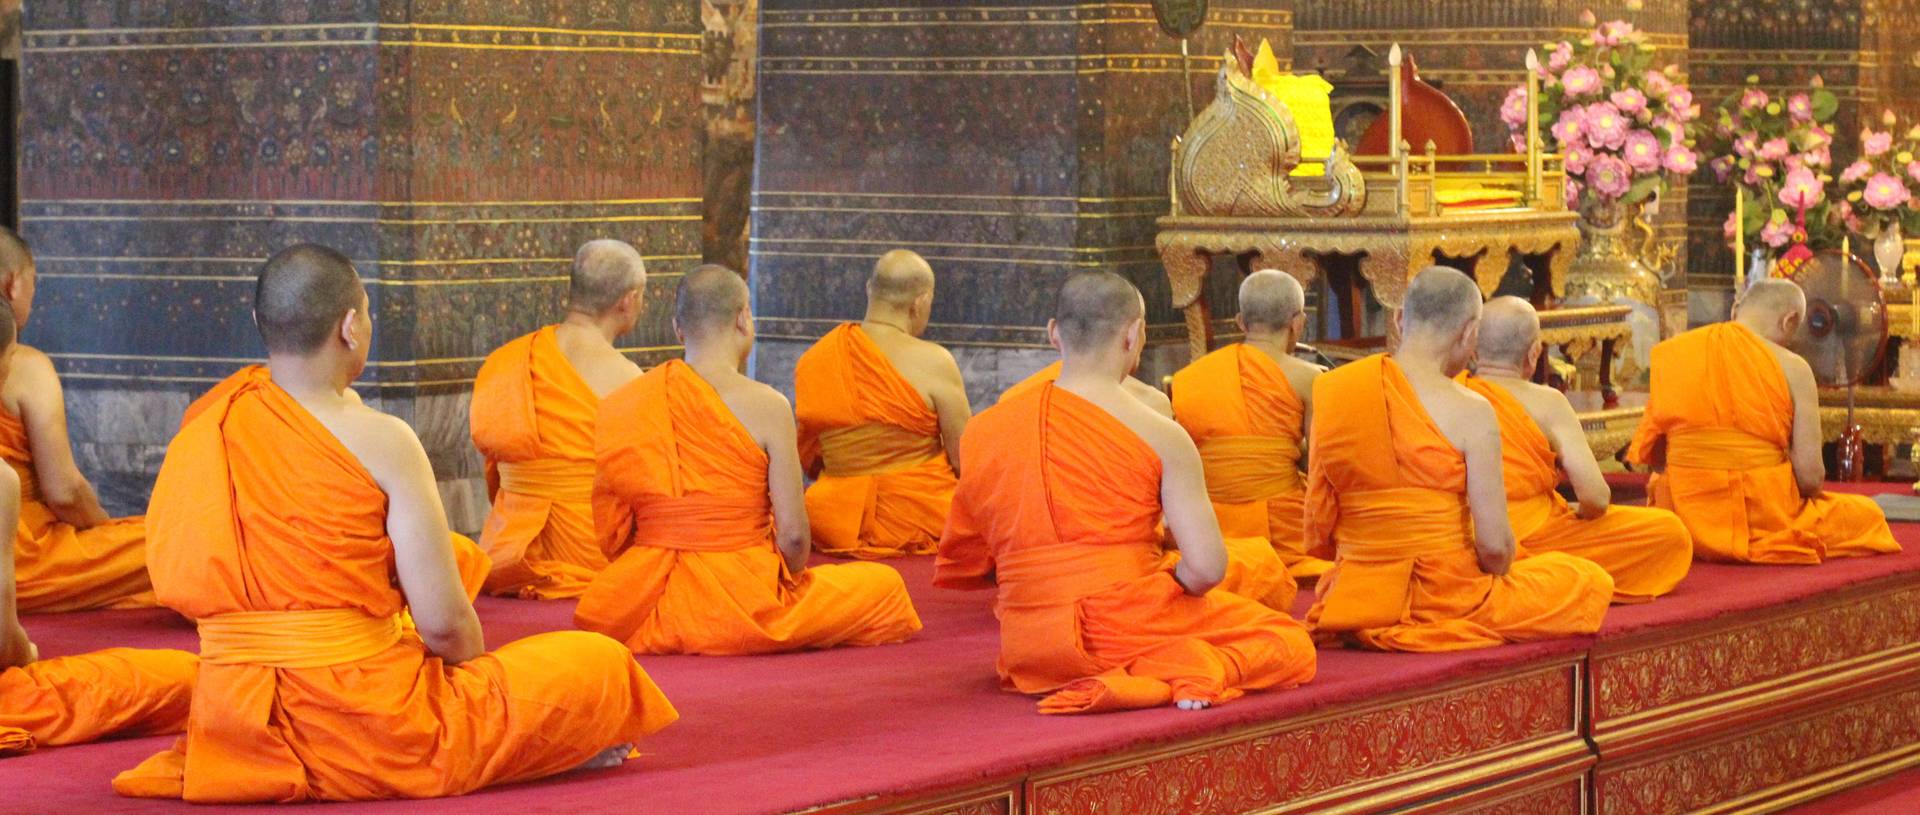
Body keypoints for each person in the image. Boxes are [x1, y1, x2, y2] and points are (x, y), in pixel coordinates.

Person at [115, 244, 676, 803]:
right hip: (369, 728)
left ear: (262, 322)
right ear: (351, 327)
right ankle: (541, 742)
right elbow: (445, 628)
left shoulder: (204, 428)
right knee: (597, 664)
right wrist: (481, 694)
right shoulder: (383, 440)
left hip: (233, 724)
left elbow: (179, 583)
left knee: (457, 555)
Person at [937, 272, 1316, 714]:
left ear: (1053, 333)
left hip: (1028, 647)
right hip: (1124, 625)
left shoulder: (985, 430)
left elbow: (972, 557)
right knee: (1288, 641)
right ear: (1135, 335)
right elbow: (1208, 568)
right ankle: (1181, 668)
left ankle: (1141, 671)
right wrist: (1160, 586)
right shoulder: (1161, 433)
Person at [574, 265, 923, 655]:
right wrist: (782, 584)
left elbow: (612, 520)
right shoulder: (768, 405)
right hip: (745, 594)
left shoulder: (628, 403)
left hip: (652, 592)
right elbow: (793, 536)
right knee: (883, 585)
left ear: (677, 328)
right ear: (743, 319)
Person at [1306, 267, 1614, 651]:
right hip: (1447, 598)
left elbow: (1318, 522)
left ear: (1400, 318)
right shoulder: (1472, 409)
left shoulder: (1334, 391)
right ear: (1471, 333)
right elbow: (1496, 550)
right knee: (1585, 580)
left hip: (1354, 592)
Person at [0, 301, 196, 757]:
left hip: (32, 556)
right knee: (196, 677)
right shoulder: (2, 480)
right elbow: (66, 492)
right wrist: (26, 652)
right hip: (36, 555)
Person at [1628, 279, 1900, 563]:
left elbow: (1656, 457)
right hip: (1760, 517)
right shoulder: (1793, 367)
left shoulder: (1677, 352)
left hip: (1682, 519)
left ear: (1736, 309)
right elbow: (1810, 478)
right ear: (1790, 320)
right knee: (1867, 515)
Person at [1461, 297, 1691, 602]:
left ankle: (1523, 576)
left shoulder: (1454, 393)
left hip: (1469, 541)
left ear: (1473, 349)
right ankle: (1542, 577)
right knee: (1669, 532)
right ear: (1535, 353)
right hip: (1537, 534)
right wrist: (1571, 512)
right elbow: (1595, 497)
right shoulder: (1548, 402)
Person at [470, 240, 648, 598]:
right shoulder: (630, 381)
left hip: (508, 550)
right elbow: (641, 482)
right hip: (591, 554)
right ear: (628, 300)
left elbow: (491, 455)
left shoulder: (507, 361)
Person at [0, 228, 151, 612]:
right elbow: (65, 492)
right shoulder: (24, 365)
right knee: (177, 541)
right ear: (12, 284)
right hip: (22, 564)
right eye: (34, 282)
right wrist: (106, 534)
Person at [794, 250, 969, 558]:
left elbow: (809, 458)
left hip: (834, 522)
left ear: (868, 289)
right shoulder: (935, 361)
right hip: (923, 518)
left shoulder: (816, 359)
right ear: (920, 302)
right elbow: (964, 458)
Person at [1171, 270, 1332, 582]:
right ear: (1297, 323)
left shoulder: (1191, 376)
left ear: (1240, 323)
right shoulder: (1309, 378)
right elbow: (1320, 465)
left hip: (1209, 530)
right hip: (1283, 531)